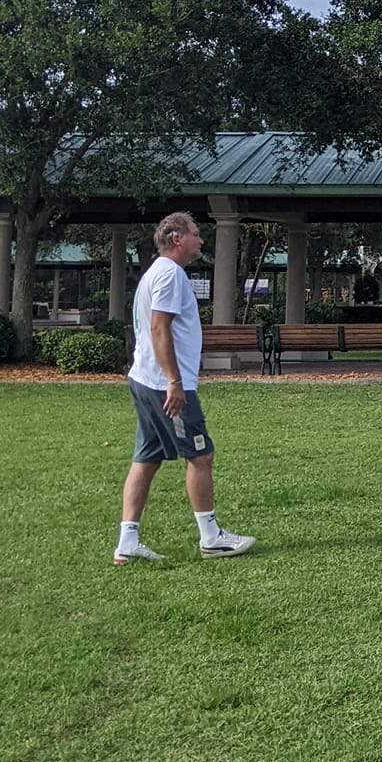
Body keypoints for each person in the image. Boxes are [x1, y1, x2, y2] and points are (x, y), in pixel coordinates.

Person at [112, 212, 255, 564]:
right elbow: (160, 329)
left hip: (146, 378)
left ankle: (127, 542)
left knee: (146, 458)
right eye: (196, 233)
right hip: (166, 385)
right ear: (177, 238)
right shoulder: (171, 274)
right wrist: (175, 382)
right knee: (200, 454)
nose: (201, 240)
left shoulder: (155, 273)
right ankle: (211, 537)